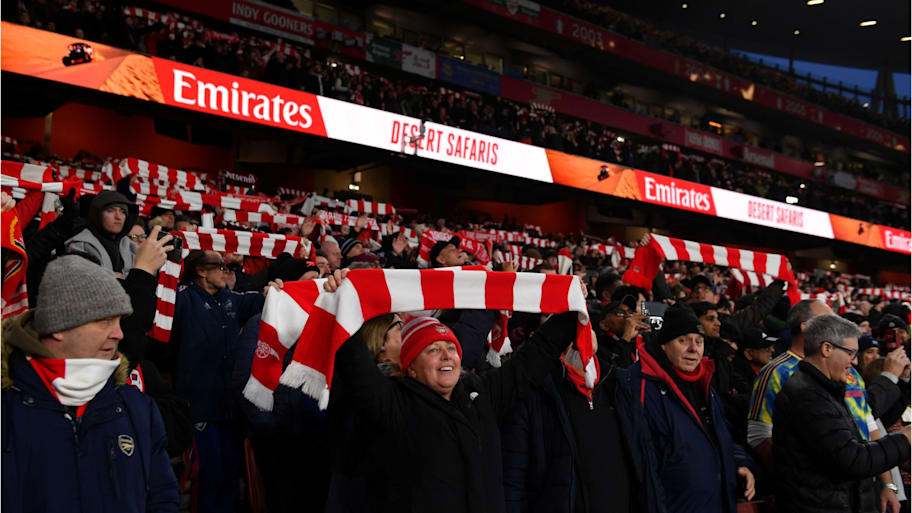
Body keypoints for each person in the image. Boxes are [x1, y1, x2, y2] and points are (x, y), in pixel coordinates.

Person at [326, 269, 585, 513]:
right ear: (411, 367)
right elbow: (355, 364)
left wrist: (570, 309)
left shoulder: (480, 393)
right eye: (432, 350)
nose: (446, 357)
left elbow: (533, 359)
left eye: (451, 348)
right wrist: (343, 300)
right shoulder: (393, 401)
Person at [1, 255, 179, 512]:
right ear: (59, 326)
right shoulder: (7, 408)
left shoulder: (137, 407)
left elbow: (162, 497)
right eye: (104, 321)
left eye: (119, 322)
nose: (118, 333)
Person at [500, 319, 665, 513]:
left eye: (585, 327)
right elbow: (513, 478)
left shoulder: (619, 385)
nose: (579, 336)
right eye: (570, 331)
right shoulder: (533, 393)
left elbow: (645, 461)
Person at [617, 307, 755, 513]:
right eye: (683, 341)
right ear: (664, 345)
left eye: (698, 341)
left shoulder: (705, 381)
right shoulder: (637, 386)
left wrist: (737, 463)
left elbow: (719, 435)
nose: (693, 349)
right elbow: (641, 467)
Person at [773, 314, 911, 513]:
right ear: (827, 349)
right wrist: (905, 439)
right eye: (850, 353)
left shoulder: (825, 389)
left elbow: (870, 422)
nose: (855, 362)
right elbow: (854, 459)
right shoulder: (808, 395)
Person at [170, 250, 266, 513]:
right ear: (201, 271)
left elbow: (263, 299)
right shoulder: (182, 300)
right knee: (208, 472)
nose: (228, 271)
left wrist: (276, 289)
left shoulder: (228, 299)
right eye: (221, 266)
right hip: (198, 406)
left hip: (228, 405)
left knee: (230, 473)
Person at [66, 190, 139, 275]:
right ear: (97, 214)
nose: (118, 217)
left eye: (123, 211)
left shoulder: (129, 245)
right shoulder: (80, 244)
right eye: (110, 210)